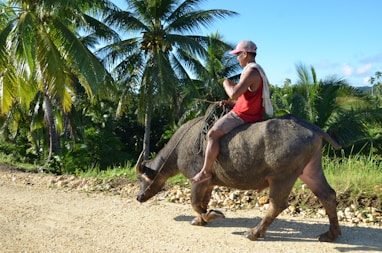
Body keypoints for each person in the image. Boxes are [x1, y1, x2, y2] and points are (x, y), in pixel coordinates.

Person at [189, 40, 273, 184]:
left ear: (245, 54)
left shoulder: (251, 72)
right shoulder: (256, 70)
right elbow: (249, 97)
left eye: (238, 55)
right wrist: (231, 104)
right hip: (249, 110)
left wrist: (226, 84)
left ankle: (205, 172)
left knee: (213, 133)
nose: (237, 58)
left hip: (243, 115)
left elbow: (233, 93)